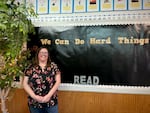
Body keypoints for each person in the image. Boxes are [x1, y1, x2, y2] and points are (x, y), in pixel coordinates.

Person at [23, 46, 61, 113]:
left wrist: (48, 96)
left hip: (51, 102)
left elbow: (58, 82)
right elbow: (25, 83)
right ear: (38, 54)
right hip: (35, 103)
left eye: (45, 52)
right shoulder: (31, 67)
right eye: (41, 52)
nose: (43, 54)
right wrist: (34, 96)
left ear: (48, 55)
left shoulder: (53, 66)